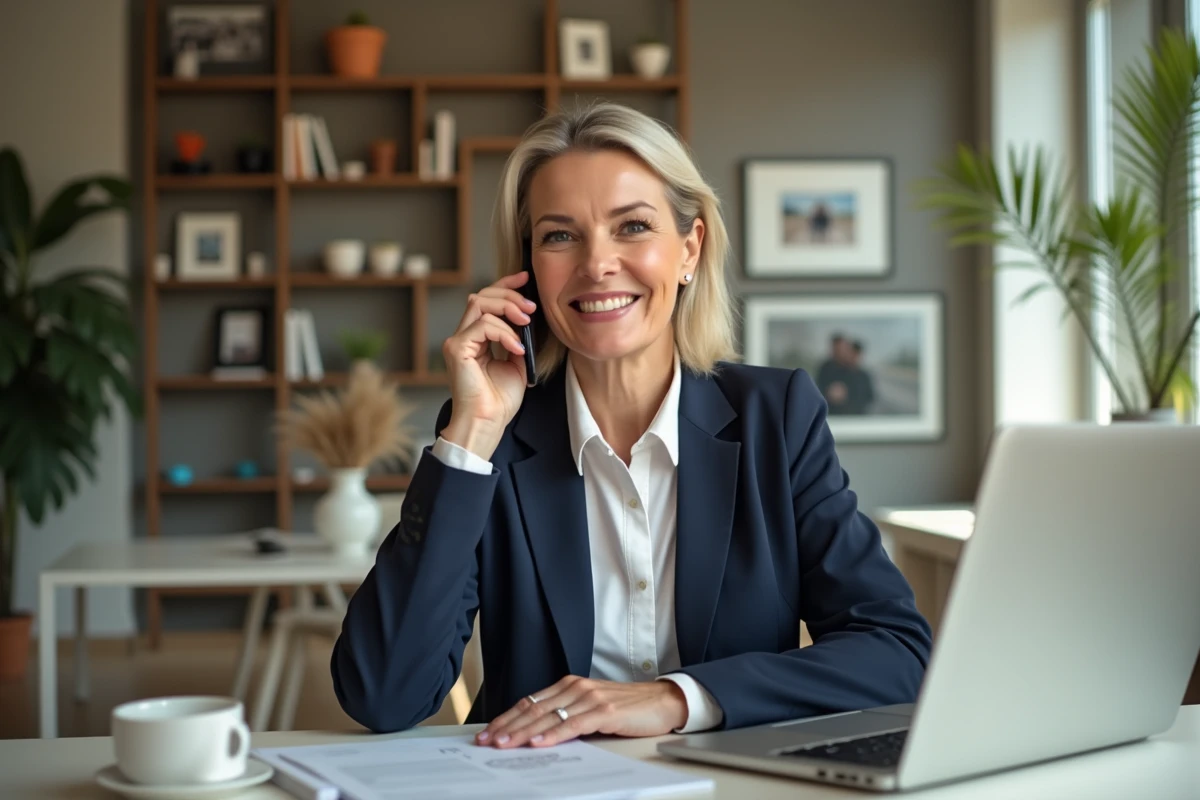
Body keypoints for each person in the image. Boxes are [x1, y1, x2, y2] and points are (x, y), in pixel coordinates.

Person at [331, 103, 932, 748]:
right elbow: (383, 694)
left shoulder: (776, 417)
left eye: (633, 226)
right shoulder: (491, 435)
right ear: (528, 268)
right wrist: (472, 432)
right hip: (538, 784)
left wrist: (675, 698)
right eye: (560, 236)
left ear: (689, 249)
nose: (597, 264)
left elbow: (896, 651)